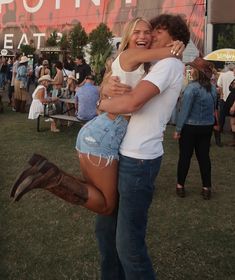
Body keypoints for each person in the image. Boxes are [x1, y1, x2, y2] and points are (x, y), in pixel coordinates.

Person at [10, 16, 185, 216]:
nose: (145, 36)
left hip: (102, 130)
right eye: (137, 32)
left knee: (102, 196)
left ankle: (45, 173)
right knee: (106, 206)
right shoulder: (131, 54)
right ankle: (51, 178)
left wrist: (104, 92)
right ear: (128, 36)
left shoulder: (140, 60)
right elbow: (169, 53)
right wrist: (178, 46)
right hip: (105, 133)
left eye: (148, 32)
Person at [173, 57, 216, 200]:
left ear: (198, 72)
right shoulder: (212, 88)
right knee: (204, 157)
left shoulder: (192, 88)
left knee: (185, 157)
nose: (191, 70)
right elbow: (214, 108)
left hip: (190, 127)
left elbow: (184, 110)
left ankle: (180, 186)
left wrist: (178, 129)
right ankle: (206, 188)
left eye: (193, 68)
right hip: (207, 127)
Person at [217, 63, 235, 132]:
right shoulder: (233, 76)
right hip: (232, 99)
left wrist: (221, 94)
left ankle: (221, 128)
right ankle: (232, 129)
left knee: (222, 114)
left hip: (224, 98)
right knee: (233, 117)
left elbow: (219, 85)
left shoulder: (222, 75)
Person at [224, 79, 235, 146]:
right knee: (232, 123)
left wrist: (233, 107)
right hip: (231, 106)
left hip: (233, 107)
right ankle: (234, 140)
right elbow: (230, 88)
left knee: (233, 123)